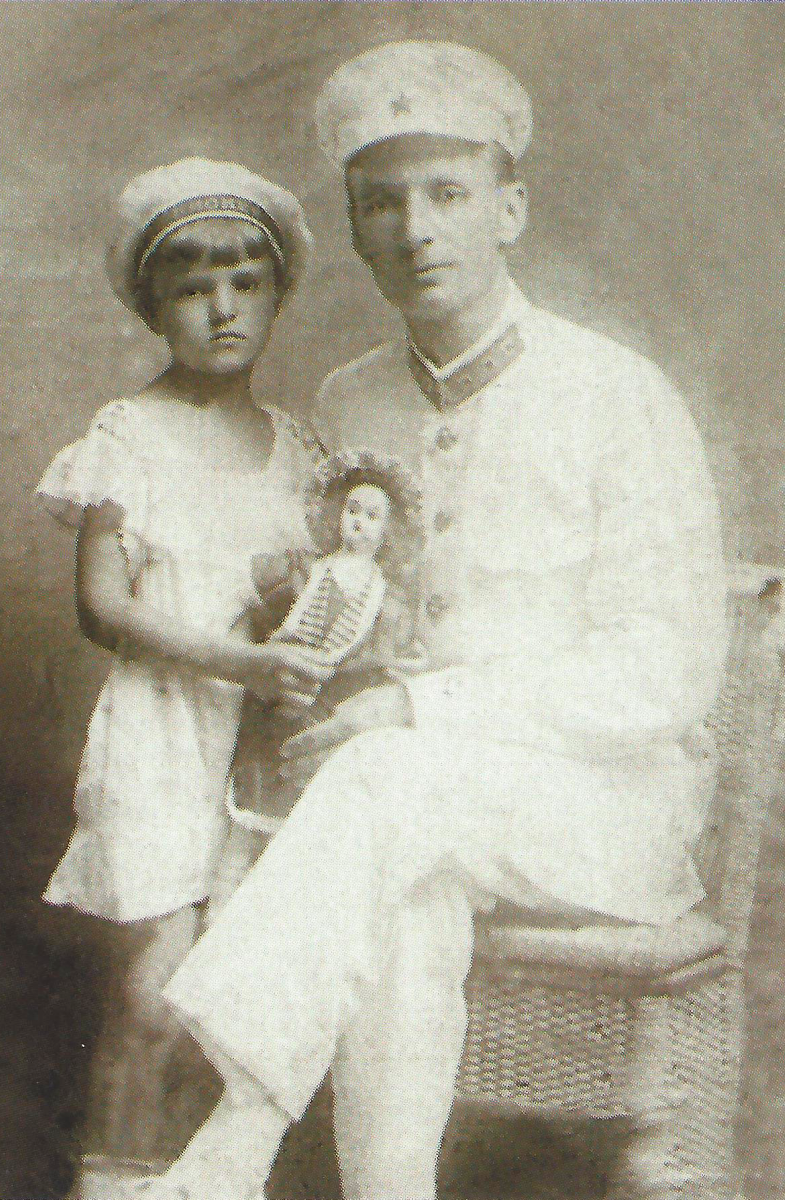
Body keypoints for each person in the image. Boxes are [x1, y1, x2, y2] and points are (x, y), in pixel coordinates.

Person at [143, 41, 729, 1200]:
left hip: (604, 815)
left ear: (510, 209)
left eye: (448, 194)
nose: (416, 229)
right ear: (357, 231)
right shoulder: (350, 400)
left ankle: (226, 1144)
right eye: (383, 203)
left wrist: (419, 707)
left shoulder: (618, 395)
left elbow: (664, 674)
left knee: (391, 784)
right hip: (409, 816)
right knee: (404, 881)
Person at [35, 157, 325, 1198]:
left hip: (259, 754)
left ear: (276, 294)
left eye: (246, 283)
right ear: (155, 307)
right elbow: (101, 606)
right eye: (194, 288)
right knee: (152, 1000)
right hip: (163, 739)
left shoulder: (298, 450)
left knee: (235, 1002)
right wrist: (239, 660)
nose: (223, 308)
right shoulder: (129, 436)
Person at [212, 452, 424, 915]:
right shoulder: (305, 570)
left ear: (388, 530)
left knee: (306, 833)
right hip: (275, 706)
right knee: (246, 820)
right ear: (335, 514)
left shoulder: (387, 600)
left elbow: (388, 660)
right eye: (352, 510)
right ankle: (221, 915)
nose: (359, 522)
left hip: (329, 710)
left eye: (372, 516)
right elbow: (247, 605)